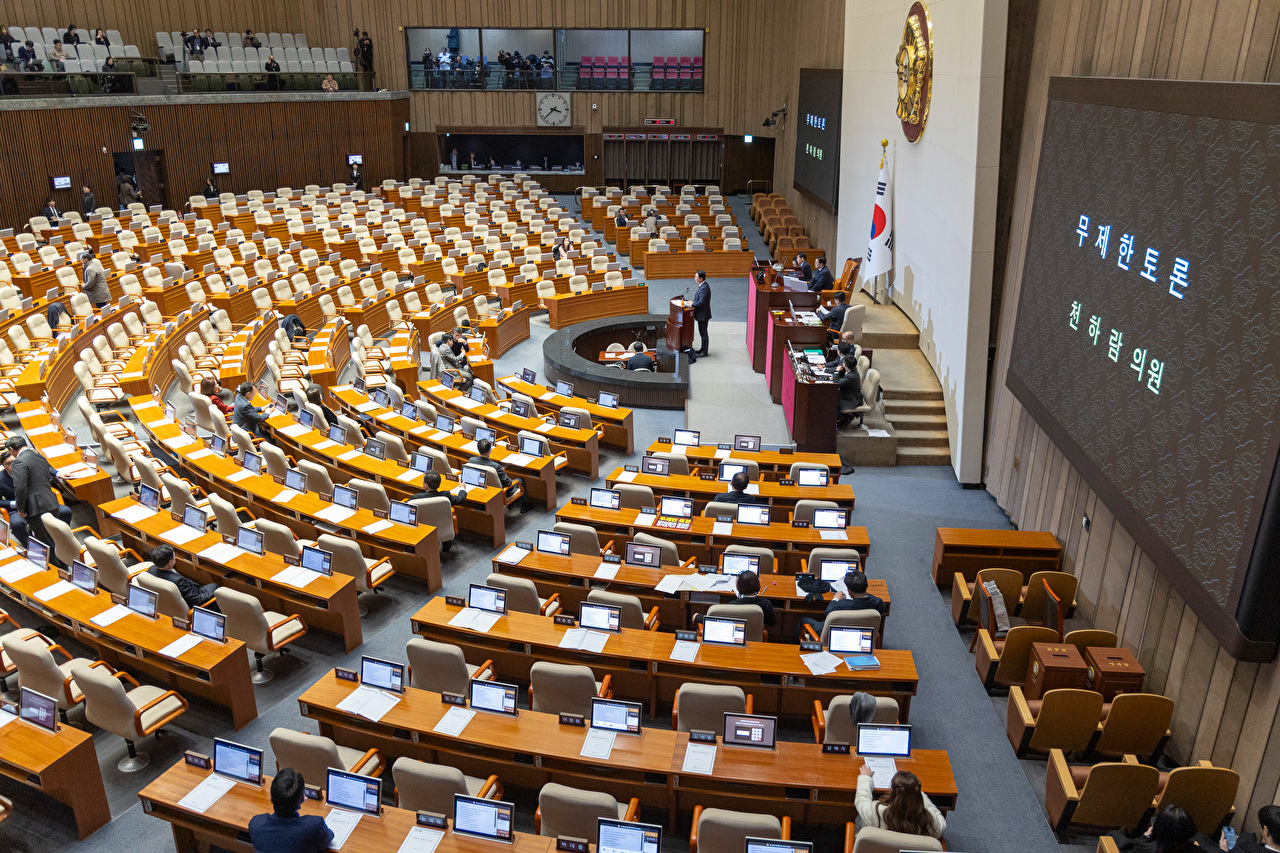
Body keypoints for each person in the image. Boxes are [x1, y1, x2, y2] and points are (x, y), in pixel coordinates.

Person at [8, 436, 71, 561]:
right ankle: (64, 566)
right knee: (56, 538)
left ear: (11, 449)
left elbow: (20, 488)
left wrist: (20, 508)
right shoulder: (38, 456)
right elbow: (47, 469)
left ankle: (56, 571)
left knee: (46, 543)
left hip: (36, 508)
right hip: (51, 502)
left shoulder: (18, 462)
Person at [248, 767, 333, 853]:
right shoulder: (314, 825)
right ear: (303, 798)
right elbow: (328, 838)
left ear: (271, 799)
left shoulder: (255, 824)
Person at [854, 768, 946, 838]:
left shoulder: (877, 813)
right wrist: (915, 793)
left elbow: (862, 800)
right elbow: (941, 821)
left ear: (893, 792)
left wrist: (865, 777)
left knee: (860, 819)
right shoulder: (931, 822)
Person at [797, 570, 885, 639]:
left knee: (803, 620)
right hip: (863, 635)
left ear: (849, 591)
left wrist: (835, 598)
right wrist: (862, 593)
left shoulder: (841, 605)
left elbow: (829, 612)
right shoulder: (879, 603)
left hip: (837, 635)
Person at [469, 438, 534, 513]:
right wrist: (502, 470)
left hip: (483, 489)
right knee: (520, 481)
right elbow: (508, 483)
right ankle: (524, 506)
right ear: (490, 450)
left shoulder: (471, 460)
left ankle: (513, 503)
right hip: (501, 493)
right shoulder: (496, 466)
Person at [149, 544, 218, 611]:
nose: (175, 557)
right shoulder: (179, 581)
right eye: (174, 556)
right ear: (170, 562)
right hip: (192, 601)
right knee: (215, 587)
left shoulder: (151, 569)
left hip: (168, 600)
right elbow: (196, 601)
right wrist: (215, 593)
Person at [1113, 806, 1202, 852]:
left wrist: (1144, 837)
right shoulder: (1198, 850)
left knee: (1114, 834)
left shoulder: (1142, 848)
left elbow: (1122, 850)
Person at [0, 449, 30, 546]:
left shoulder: (28, 469)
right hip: (14, 507)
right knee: (17, 523)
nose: (11, 466)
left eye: (14, 462)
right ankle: (31, 546)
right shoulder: (1, 479)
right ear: (3, 466)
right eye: (8, 464)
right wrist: (15, 503)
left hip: (33, 502)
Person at [835, 354, 865, 429]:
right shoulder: (853, 369)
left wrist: (836, 372)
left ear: (844, 364)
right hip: (850, 394)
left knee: (833, 401)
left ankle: (845, 417)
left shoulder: (850, 377)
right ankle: (844, 417)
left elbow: (836, 384)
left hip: (852, 399)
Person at [691, 269, 712, 356]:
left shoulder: (704, 288)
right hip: (702, 314)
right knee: (702, 332)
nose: (694, 278)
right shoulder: (702, 286)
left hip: (703, 315)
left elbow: (701, 302)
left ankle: (704, 352)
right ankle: (702, 349)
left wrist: (692, 304)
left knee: (703, 333)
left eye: (696, 277)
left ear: (701, 278)